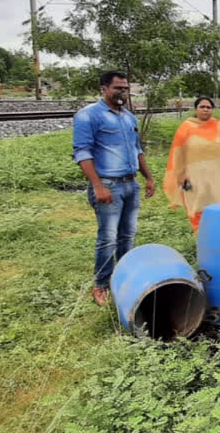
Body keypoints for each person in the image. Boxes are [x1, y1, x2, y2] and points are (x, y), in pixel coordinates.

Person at [72, 71, 155, 306]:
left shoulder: (129, 117)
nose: (123, 92)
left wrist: (148, 177)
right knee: (108, 238)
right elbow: (82, 152)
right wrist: (98, 185)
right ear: (104, 89)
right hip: (108, 184)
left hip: (131, 184)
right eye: (118, 88)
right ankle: (101, 285)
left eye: (126, 88)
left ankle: (125, 277)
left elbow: (137, 150)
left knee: (127, 235)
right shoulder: (88, 116)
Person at [163, 96, 220, 232]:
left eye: (209, 107)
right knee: (198, 204)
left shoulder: (219, 126)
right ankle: (202, 238)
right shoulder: (186, 127)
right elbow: (178, 152)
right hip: (195, 175)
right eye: (202, 107)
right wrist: (181, 174)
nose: (206, 109)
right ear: (196, 109)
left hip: (218, 174)